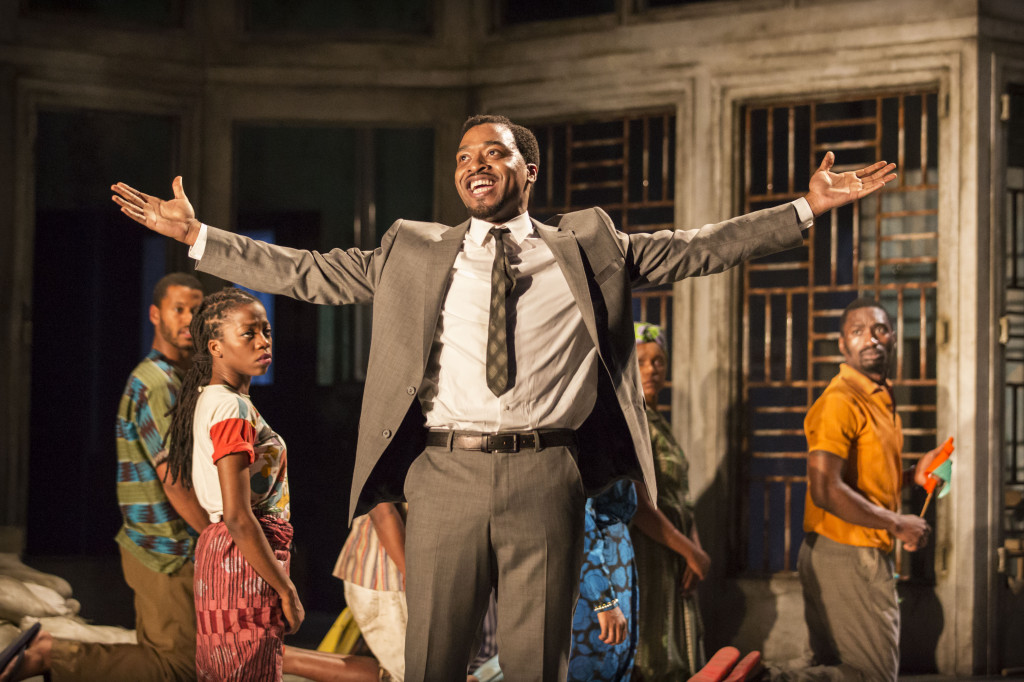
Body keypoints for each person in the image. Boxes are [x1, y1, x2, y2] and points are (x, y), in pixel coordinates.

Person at [111, 113, 896, 680]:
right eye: (463, 154)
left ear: (529, 170)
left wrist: (804, 210)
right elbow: (311, 272)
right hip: (444, 475)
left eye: (495, 151)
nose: (474, 162)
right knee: (435, 662)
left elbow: (697, 250)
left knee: (535, 662)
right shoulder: (414, 250)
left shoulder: (586, 246)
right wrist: (200, 238)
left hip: (547, 475)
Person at [163, 287, 379, 682]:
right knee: (249, 671)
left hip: (226, 553)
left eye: (267, 331)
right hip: (244, 556)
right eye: (249, 333)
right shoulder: (231, 407)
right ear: (216, 346)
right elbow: (239, 516)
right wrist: (288, 590)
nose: (264, 341)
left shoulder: (211, 398)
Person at [41, 273, 208, 682]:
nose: (189, 320)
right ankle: (51, 655)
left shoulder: (180, 379)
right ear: (155, 314)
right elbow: (174, 478)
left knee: (187, 661)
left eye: (197, 311)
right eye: (179, 309)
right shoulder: (155, 383)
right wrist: (218, 537)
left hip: (172, 543)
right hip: (164, 544)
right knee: (178, 666)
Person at [783, 298, 944, 681]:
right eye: (858, 332)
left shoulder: (878, 398)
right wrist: (897, 524)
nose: (871, 339)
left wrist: (910, 476)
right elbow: (825, 489)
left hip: (848, 551)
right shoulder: (841, 401)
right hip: (848, 552)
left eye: (880, 330)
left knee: (834, 665)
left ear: (892, 339)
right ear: (843, 345)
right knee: (872, 675)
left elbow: (859, 479)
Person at [629, 322, 710, 680]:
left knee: (679, 652)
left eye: (658, 360)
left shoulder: (658, 421)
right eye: (642, 360)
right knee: (652, 650)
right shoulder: (628, 421)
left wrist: (693, 547)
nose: (652, 369)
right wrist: (690, 552)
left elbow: (680, 495)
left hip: (671, 554)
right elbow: (638, 507)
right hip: (644, 554)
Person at [568, 479, 638, 682]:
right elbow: (578, 514)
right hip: (595, 572)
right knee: (594, 666)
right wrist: (604, 599)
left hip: (616, 561)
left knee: (618, 662)